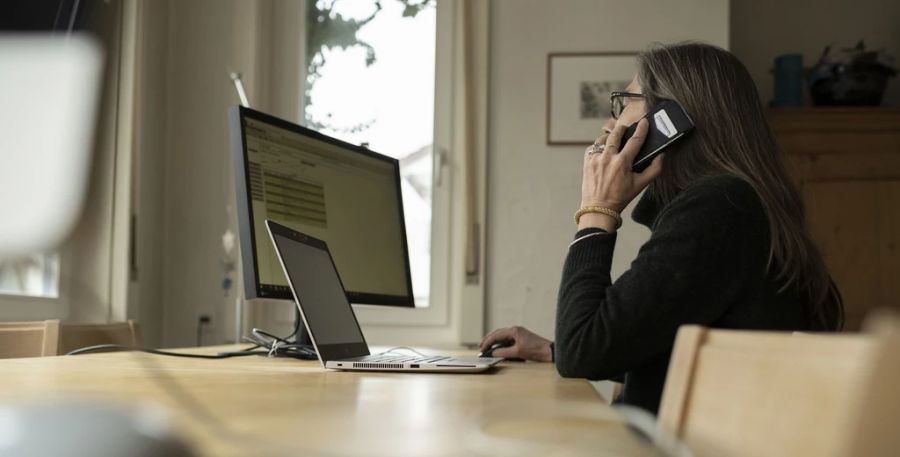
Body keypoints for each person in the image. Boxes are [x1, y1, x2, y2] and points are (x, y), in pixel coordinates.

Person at [479, 42, 844, 414]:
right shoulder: (732, 204)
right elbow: (660, 342)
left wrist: (596, 210)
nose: (609, 124)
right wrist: (551, 350)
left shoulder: (719, 207)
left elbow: (584, 354)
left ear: (671, 123)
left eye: (626, 102)